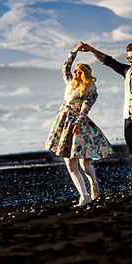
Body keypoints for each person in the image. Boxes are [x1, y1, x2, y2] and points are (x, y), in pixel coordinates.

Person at [78, 41, 132, 201]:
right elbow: (108, 61)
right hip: (128, 119)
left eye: (131, 57)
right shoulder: (128, 71)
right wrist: (90, 50)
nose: (128, 60)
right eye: (128, 57)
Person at [45, 44, 113, 206]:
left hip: (79, 126)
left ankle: (93, 183)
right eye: (75, 72)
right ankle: (84, 196)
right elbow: (65, 69)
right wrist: (74, 52)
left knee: (85, 164)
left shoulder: (90, 90)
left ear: (86, 75)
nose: (76, 74)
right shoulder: (70, 84)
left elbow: (85, 109)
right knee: (69, 162)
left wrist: (78, 122)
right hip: (63, 122)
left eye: (79, 72)